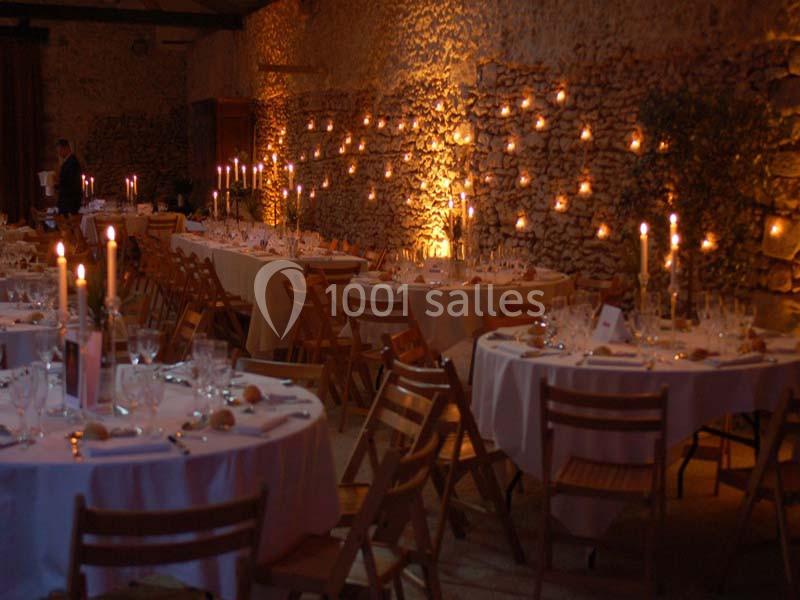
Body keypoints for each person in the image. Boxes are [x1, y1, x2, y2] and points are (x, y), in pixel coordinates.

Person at [55, 139, 82, 215]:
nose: (59, 153)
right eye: (58, 151)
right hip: (67, 201)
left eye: (60, 150)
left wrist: (58, 182)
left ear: (66, 148)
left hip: (69, 202)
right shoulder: (68, 162)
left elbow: (71, 182)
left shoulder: (72, 162)